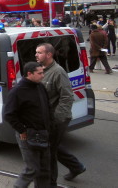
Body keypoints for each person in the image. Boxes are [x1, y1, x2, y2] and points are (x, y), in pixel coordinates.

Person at [35, 43, 86, 185]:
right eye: (36, 52)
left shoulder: (58, 72)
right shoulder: (41, 69)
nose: (36, 55)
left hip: (57, 119)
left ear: (49, 55)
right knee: (53, 146)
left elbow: (67, 96)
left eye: (39, 52)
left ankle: (51, 184)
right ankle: (76, 166)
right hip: (47, 118)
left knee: (49, 152)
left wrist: (57, 119)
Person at [4, 62, 51, 187]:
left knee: (45, 168)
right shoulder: (17, 91)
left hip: (43, 133)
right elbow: (9, 114)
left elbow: (47, 107)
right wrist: (22, 130)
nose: (43, 76)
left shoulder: (40, 87)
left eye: (43, 72)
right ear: (29, 74)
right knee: (32, 169)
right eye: (39, 73)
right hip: (28, 135)